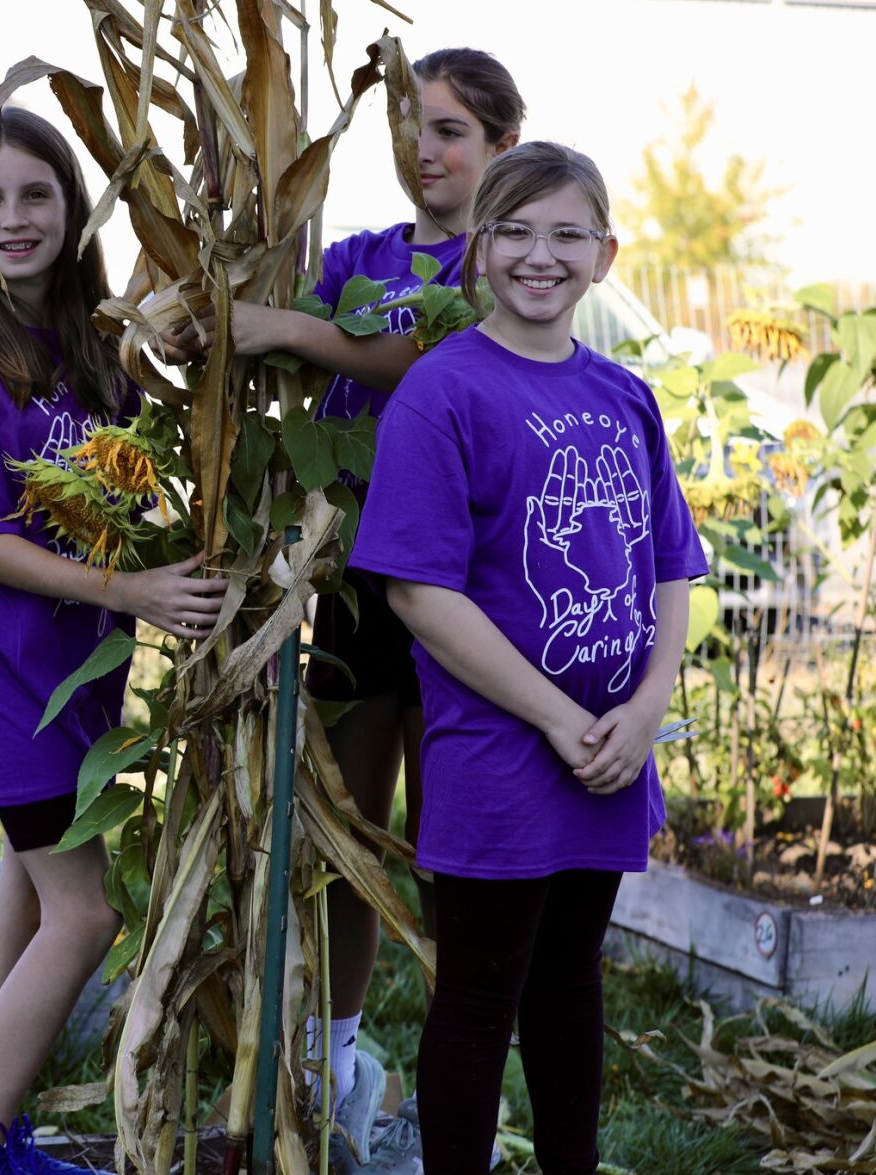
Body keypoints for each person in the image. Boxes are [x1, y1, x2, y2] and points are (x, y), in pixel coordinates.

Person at [163, 47, 526, 1168]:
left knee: (451, 841)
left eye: (453, 129)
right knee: (347, 827)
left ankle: (459, 1064)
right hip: (350, 576)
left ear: (501, 148)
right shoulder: (360, 257)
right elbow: (283, 350)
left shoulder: (504, 261)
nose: (427, 146)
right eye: (414, 124)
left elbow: (426, 363)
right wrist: (212, 325)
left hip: (466, 582)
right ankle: (333, 1058)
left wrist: (287, 332)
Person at [348, 141, 707, 1172]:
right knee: (476, 996)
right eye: (513, 232)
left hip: (610, 749)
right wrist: (556, 716)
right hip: (500, 754)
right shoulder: (442, 392)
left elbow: (670, 567)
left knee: (568, 979)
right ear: (478, 249)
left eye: (564, 234)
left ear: (604, 252)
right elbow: (417, 587)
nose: (538, 256)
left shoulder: (623, 395)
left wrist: (642, 709)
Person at [0, 107, 229, 1175]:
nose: (12, 218)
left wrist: (178, 341)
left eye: (33, 194)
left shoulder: (97, 340)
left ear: (72, 205)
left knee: (26, 891)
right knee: (83, 915)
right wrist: (128, 583)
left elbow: (156, 441)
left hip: (75, 673)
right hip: (4, 673)